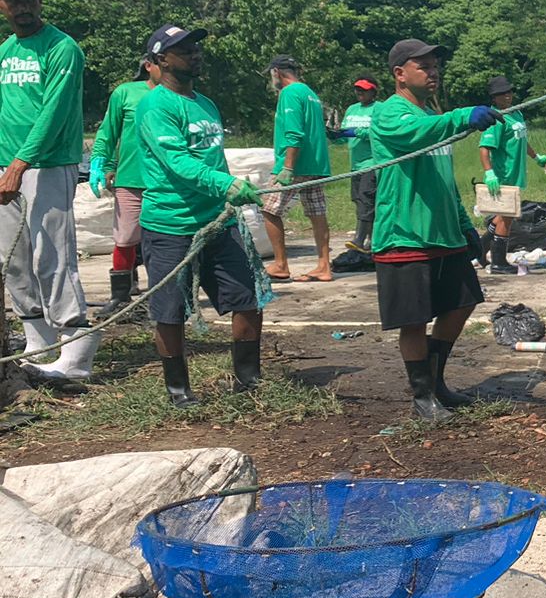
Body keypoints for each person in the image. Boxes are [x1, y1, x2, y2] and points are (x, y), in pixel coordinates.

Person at [369, 39, 503, 422]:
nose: (433, 72)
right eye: (423, 66)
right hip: (405, 233)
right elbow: (418, 135)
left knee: (462, 303)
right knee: (414, 319)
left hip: (443, 232)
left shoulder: (431, 114)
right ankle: (422, 396)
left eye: (434, 65)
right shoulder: (390, 114)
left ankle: (436, 379)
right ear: (400, 74)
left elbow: (444, 180)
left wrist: (465, 225)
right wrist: (463, 117)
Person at [135, 25, 264, 407]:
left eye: (195, 47)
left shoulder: (206, 104)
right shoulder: (155, 106)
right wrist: (224, 184)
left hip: (218, 224)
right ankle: (178, 390)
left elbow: (212, 159)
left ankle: (249, 380)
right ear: (160, 60)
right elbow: (176, 163)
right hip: (170, 225)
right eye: (184, 49)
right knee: (170, 312)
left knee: (248, 298)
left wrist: (226, 195)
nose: (195, 54)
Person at [0, 0, 100, 381]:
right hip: (7, 166)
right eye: (13, 1)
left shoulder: (62, 48)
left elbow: (54, 113)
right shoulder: (5, 50)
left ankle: (76, 349)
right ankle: (38, 339)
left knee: (51, 254)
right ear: (2, 6)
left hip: (46, 163)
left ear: (40, 2)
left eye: (29, 0)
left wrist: (19, 165)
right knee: (13, 258)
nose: (22, 8)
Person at [89, 55, 162, 314]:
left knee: (166, 240)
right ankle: (121, 296)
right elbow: (109, 132)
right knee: (125, 239)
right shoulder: (126, 93)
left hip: (166, 182)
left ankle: (164, 295)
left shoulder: (180, 95)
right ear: (148, 65)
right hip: (131, 179)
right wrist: (103, 162)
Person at [261, 55, 334, 282]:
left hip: (295, 163)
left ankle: (280, 264)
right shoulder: (309, 93)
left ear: (277, 72)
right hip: (316, 163)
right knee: (317, 212)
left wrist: (288, 167)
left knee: (269, 209)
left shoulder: (289, 93)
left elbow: (294, 133)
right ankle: (324, 265)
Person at [477, 75, 546, 274]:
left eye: (509, 92)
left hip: (517, 172)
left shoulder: (516, 114)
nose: (507, 96)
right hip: (504, 175)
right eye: (502, 94)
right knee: (508, 217)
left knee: (503, 216)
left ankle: (480, 249)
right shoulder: (496, 119)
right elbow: (484, 148)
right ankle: (499, 262)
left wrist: (537, 157)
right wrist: (489, 173)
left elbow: (522, 139)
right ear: (494, 97)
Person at [339, 74, 381, 254]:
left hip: (372, 163)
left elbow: (377, 131)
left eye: (364, 90)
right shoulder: (351, 109)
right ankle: (370, 240)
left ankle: (360, 238)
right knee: (359, 200)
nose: (359, 93)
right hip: (355, 164)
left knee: (366, 198)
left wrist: (355, 132)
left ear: (373, 91)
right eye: (357, 89)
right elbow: (345, 131)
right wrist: (337, 134)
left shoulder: (380, 108)